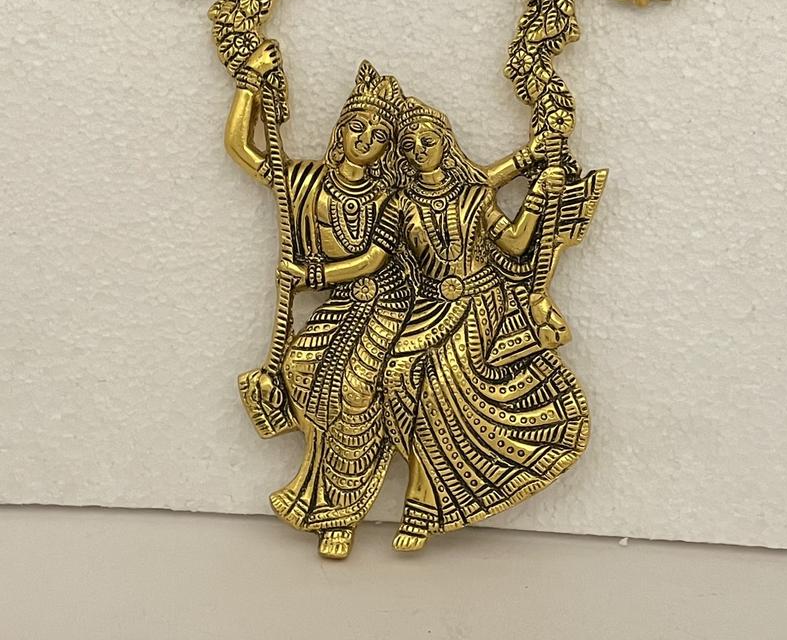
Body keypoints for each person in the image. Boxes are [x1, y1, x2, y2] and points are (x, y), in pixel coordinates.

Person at [226, 44, 411, 559]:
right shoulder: (306, 182)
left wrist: (312, 274)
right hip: (343, 299)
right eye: (358, 127)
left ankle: (344, 516)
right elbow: (241, 148)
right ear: (340, 129)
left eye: (379, 136)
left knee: (355, 391)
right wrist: (250, 82)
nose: (365, 139)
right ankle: (314, 466)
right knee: (301, 369)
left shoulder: (390, 198)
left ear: (387, 150)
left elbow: (374, 260)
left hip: (388, 300)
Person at [383, 96, 590, 552]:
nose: (419, 149)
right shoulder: (399, 203)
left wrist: (536, 197)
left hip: (480, 300)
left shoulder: (474, 196)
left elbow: (514, 244)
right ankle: (437, 475)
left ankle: (421, 504)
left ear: (446, 142)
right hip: (428, 305)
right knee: (395, 377)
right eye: (409, 144)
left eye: (428, 140)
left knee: (438, 385)